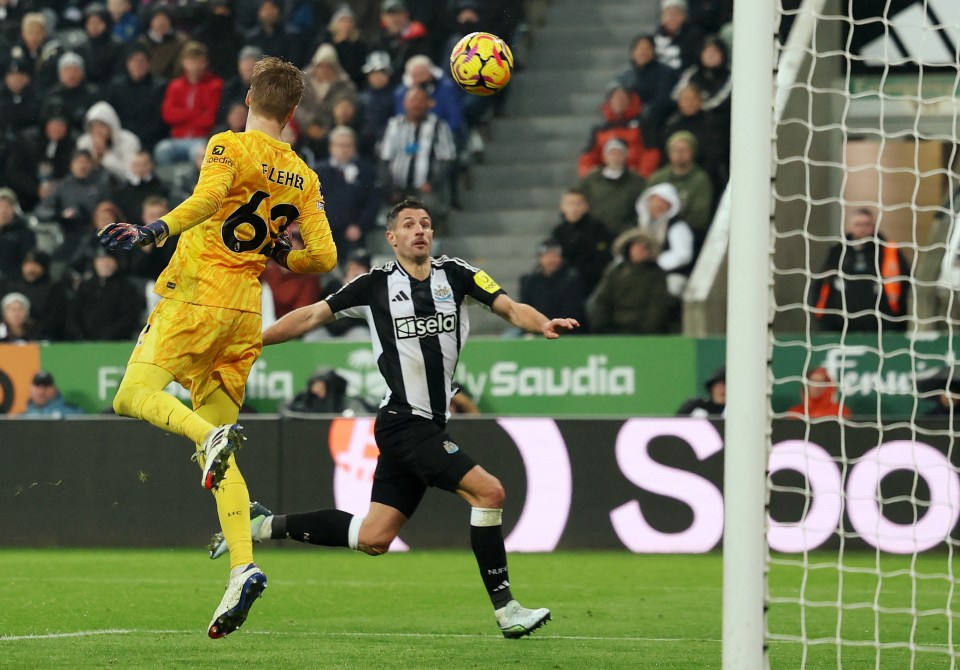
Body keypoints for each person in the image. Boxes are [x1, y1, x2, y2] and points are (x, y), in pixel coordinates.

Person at [209, 197, 577, 639]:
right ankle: (506, 609)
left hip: (426, 424)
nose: (420, 230)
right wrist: (253, 342)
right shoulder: (374, 284)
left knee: (374, 537)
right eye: (409, 224)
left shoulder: (458, 275)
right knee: (489, 492)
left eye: (425, 223)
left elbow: (511, 308)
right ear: (392, 238)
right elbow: (309, 316)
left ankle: (260, 525)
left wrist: (543, 324)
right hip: (405, 421)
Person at [97, 56, 338, 638]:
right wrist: (283, 255)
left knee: (131, 395)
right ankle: (242, 565)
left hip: (199, 297)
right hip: (245, 315)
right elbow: (324, 258)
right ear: (294, 111)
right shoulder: (304, 176)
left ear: (248, 100)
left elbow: (208, 200)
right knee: (219, 460)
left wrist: (156, 229)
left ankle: (208, 436)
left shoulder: (229, 146)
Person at [809, 208, 910, 332]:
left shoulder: (888, 251)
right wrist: (823, 317)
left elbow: (906, 284)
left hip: (882, 325)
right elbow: (821, 284)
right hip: (840, 326)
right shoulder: (837, 252)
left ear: (873, 227)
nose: (862, 228)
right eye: (858, 224)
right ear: (849, 227)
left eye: (866, 224)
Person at [379, 86, 457, 228]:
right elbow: (384, 159)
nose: (416, 105)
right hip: (397, 187)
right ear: (405, 103)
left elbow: (447, 159)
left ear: (428, 103)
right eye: (412, 100)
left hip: (425, 187)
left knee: (428, 208)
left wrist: (432, 183)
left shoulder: (439, 126)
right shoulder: (394, 125)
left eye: (421, 101)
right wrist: (390, 188)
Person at [588, 230, 672, 335]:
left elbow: (657, 307)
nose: (640, 250)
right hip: (613, 330)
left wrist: (646, 330)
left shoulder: (656, 275)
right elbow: (603, 300)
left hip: (643, 332)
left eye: (645, 247)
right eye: (637, 245)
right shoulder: (615, 272)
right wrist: (601, 327)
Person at [313, 125, 380, 255]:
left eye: (348, 145)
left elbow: (373, 202)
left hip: (354, 233)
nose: (344, 149)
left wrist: (360, 226)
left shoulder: (367, 172)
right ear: (331, 147)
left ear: (354, 147)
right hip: (323, 231)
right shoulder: (318, 172)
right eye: (340, 145)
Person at [155, 41, 224, 165]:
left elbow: (209, 119)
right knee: (162, 150)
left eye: (198, 61)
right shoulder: (175, 85)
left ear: (205, 62)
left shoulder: (215, 85)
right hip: (177, 139)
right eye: (191, 60)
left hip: (202, 139)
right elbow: (168, 115)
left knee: (200, 154)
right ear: (183, 62)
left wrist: (182, 115)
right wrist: (197, 113)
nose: (195, 65)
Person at [576, 84, 660, 180]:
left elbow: (651, 154)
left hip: (634, 178)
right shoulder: (600, 129)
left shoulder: (644, 125)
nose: (619, 101)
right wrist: (591, 177)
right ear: (609, 102)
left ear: (630, 101)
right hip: (605, 181)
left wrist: (641, 178)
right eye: (615, 98)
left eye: (623, 98)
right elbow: (587, 158)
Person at [645, 131, 715, 245]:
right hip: (654, 232)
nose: (679, 154)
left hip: (687, 235)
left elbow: (700, 216)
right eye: (675, 150)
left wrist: (674, 226)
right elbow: (646, 205)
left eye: (684, 150)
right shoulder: (658, 177)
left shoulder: (700, 180)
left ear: (692, 152)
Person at [66, 248, 145, 340]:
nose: (105, 263)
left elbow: (130, 317)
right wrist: (80, 335)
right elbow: (73, 314)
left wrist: (109, 335)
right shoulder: (85, 287)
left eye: (109, 259)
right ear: (94, 262)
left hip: (116, 343)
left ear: (117, 262)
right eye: (101, 259)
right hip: (85, 344)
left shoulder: (126, 288)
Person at [635, 182, 695, 300]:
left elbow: (683, 255)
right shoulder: (641, 225)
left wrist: (653, 264)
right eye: (656, 201)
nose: (659, 205)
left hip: (671, 275)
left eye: (664, 202)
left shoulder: (677, 227)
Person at [104, 44, 168, 152]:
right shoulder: (116, 86)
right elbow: (111, 114)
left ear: (148, 64)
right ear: (127, 64)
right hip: (122, 139)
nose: (138, 65)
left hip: (151, 140)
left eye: (141, 61)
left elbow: (159, 120)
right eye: (134, 61)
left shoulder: (159, 87)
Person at [578, 138, 647, 238]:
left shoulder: (636, 181)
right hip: (595, 235)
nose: (615, 157)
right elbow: (582, 201)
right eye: (612, 154)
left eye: (619, 154)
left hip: (625, 235)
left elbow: (643, 207)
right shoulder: (592, 179)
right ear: (605, 157)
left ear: (625, 156)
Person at [515, 239, 587, 334]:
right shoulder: (529, 281)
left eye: (555, 256)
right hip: (536, 328)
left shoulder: (571, 279)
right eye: (548, 256)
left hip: (565, 330)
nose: (552, 259)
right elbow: (524, 307)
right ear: (540, 258)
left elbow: (573, 310)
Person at [549, 188, 612, 293]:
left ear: (586, 206)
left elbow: (603, 258)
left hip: (592, 284)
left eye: (578, 204)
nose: (574, 208)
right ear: (562, 207)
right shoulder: (558, 232)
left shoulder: (598, 229)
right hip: (564, 285)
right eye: (570, 204)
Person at [614, 34, 676, 127]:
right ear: (632, 52)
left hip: (655, 122)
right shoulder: (624, 74)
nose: (643, 52)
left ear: (654, 52)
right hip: (626, 121)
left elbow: (662, 100)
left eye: (647, 48)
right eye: (640, 48)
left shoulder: (665, 73)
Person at [76, 101, 142, 181]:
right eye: (94, 127)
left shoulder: (129, 140)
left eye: (102, 125)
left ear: (111, 125)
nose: (98, 130)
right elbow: (79, 173)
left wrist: (106, 155)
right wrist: (94, 158)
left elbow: (131, 174)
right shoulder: (84, 142)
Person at [279, 367, 369, 415]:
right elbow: (284, 412)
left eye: (322, 385)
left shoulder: (350, 405)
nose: (317, 389)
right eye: (315, 384)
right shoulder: (302, 401)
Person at [785, 366, 851, 420]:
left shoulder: (840, 411)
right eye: (813, 381)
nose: (817, 386)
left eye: (821, 382)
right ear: (805, 385)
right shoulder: (795, 413)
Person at [0, 187, 36, 282]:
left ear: (14, 209)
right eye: (1, 205)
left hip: (13, 281)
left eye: (8, 206)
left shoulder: (24, 232)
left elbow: (28, 260)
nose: (3, 210)